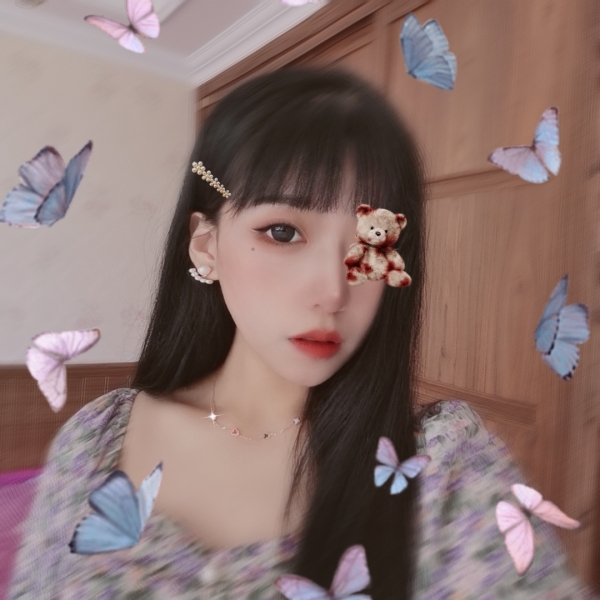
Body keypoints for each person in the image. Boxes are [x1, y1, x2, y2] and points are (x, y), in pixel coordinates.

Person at [8, 68, 594, 599]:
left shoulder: (443, 465)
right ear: (206, 246)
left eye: (370, 245)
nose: (333, 292)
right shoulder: (96, 438)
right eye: (284, 233)